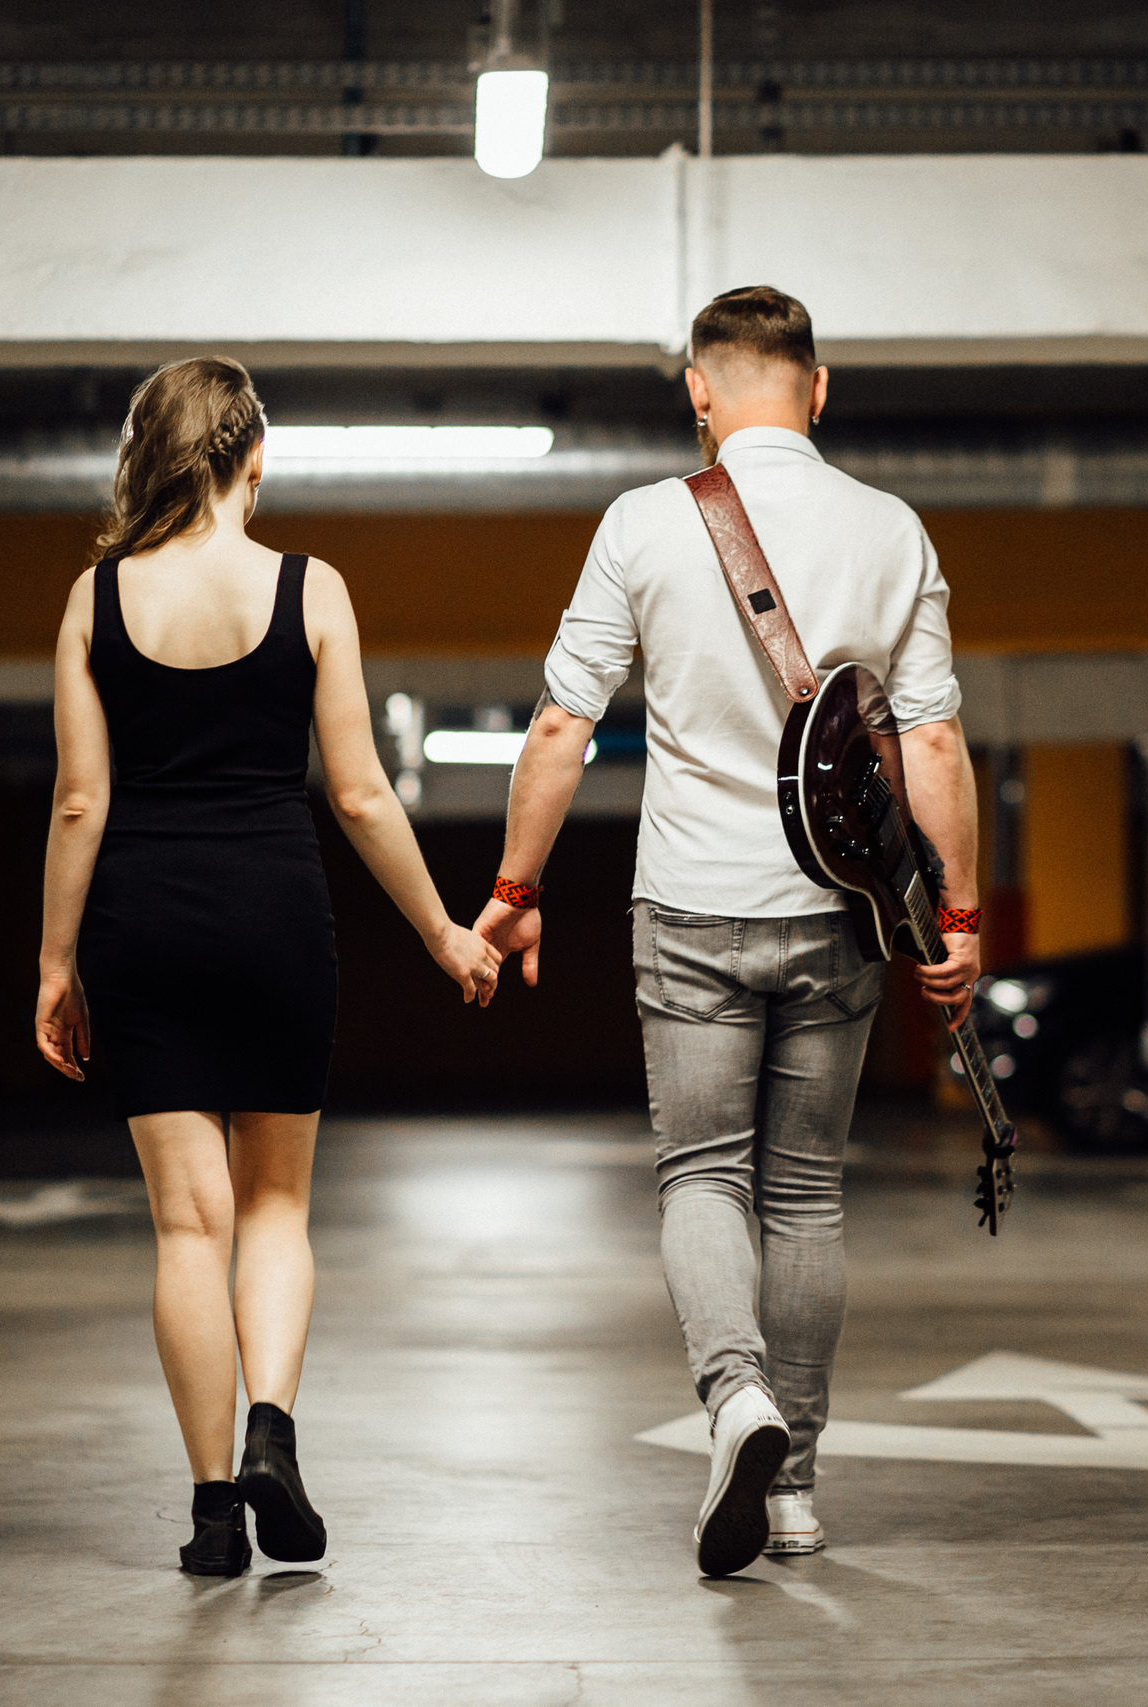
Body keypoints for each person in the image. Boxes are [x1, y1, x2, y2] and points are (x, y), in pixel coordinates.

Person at [474, 287, 981, 1577]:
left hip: (691, 906)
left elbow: (558, 725)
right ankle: (797, 1485)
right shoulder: (891, 528)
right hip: (842, 913)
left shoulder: (644, 523)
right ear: (819, 390)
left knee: (702, 1174)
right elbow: (929, 738)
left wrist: (515, 894)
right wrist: (958, 920)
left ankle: (734, 1397)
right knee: (805, 1191)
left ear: (698, 391)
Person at [35, 356, 502, 1578]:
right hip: (275, 914)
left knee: (190, 1228)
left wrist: (54, 964)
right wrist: (445, 932)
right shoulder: (312, 590)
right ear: (255, 460)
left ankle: (208, 1516)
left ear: (148, 457)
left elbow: (81, 802)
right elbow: (356, 790)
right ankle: (272, 1436)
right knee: (278, 1207)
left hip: (141, 920)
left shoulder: (95, 600)